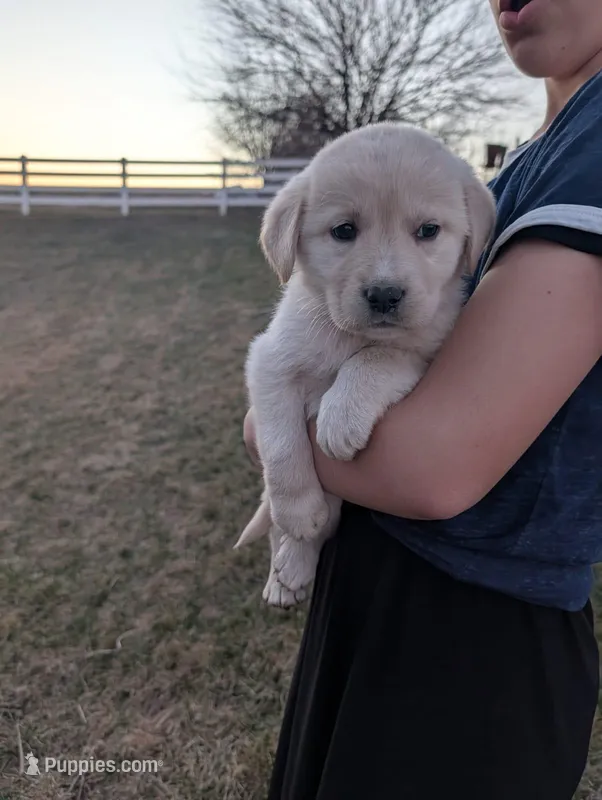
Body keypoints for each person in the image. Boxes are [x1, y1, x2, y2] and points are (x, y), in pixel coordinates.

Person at [244, 1, 602, 797]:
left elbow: (432, 469)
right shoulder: (523, 163)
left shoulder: (592, 151)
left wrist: (272, 437)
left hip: (481, 633)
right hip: (374, 579)